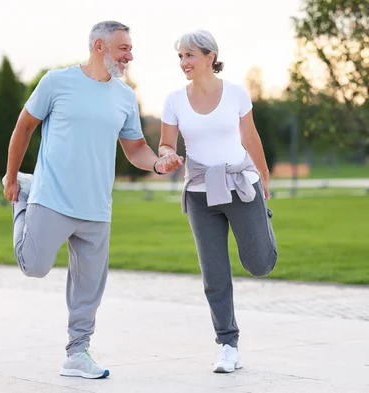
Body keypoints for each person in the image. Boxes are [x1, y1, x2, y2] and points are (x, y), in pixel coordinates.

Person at [2, 21, 182, 379]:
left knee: (89, 288)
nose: (129, 55)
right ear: (99, 46)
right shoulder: (57, 82)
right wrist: (11, 176)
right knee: (34, 266)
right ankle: (24, 195)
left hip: (96, 206)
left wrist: (159, 164)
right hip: (51, 197)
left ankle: (77, 353)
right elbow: (24, 126)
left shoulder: (124, 97)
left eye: (130, 49)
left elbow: (135, 150)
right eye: (123, 48)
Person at [158, 29, 278, 373]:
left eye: (190, 55)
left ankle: (263, 222)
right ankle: (228, 344)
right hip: (199, 194)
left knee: (259, 265)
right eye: (180, 56)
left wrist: (264, 176)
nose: (184, 62)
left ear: (211, 56)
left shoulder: (237, 94)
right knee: (214, 274)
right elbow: (167, 143)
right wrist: (166, 156)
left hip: (242, 186)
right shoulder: (173, 100)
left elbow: (250, 136)